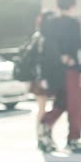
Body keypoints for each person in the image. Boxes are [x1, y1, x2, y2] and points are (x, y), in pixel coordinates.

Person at [40, 0, 81, 152]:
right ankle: (73, 138)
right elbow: (79, 49)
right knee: (75, 105)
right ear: (72, 5)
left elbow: (48, 46)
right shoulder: (73, 23)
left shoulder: (50, 23)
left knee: (61, 101)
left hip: (55, 71)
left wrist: (60, 57)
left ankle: (46, 122)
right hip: (71, 70)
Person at [28, 11, 65, 153]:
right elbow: (41, 60)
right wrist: (43, 78)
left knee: (44, 109)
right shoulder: (44, 38)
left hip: (41, 78)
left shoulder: (39, 36)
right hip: (42, 79)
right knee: (43, 109)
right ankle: (41, 138)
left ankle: (43, 137)